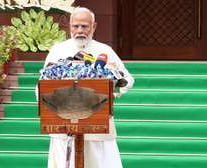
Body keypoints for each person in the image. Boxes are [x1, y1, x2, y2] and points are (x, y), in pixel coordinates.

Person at [36, 7, 134, 168]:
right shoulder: (58, 50)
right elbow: (41, 85)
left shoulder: (104, 51)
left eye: (85, 26)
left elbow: (128, 80)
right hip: (63, 126)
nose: (80, 31)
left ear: (93, 27)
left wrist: (112, 90)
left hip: (98, 126)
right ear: (69, 27)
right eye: (76, 26)